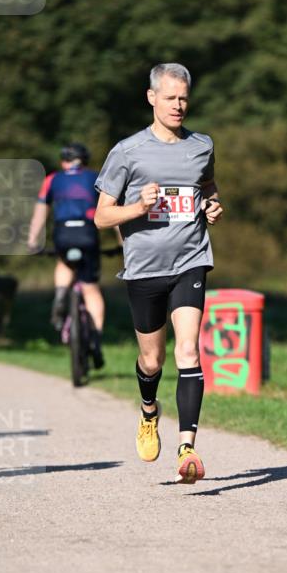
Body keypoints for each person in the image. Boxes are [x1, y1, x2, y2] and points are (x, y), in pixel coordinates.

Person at [94, 63, 223, 484]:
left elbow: (208, 186)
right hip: (144, 268)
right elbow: (101, 216)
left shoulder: (202, 145)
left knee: (188, 351)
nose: (178, 105)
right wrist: (137, 208)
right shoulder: (127, 152)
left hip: (191, 259)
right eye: (170, 98)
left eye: (184, 97)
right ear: (151, 98)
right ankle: (149, 411)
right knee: (153, 360)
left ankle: (187, 447)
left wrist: (213, 206)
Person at [27, 143, 106, 368]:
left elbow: (41, 210)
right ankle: (97, 340)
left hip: (63, 233)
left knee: (64, 263)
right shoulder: (97, 178)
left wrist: (33, 240)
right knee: (91, 289)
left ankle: (61, 295)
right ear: (85, 160)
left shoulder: (51, 179)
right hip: (88, 233)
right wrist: (123, 242)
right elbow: (110, 209)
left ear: (63, 162)